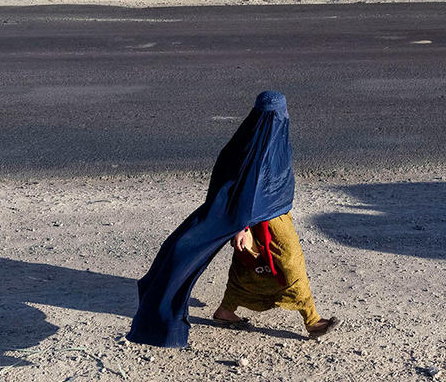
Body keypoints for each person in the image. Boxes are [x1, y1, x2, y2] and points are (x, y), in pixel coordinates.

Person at [126, 91, 337, 347]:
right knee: (292, 263)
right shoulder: (253, 147)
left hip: (273, 215)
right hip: (265, 220)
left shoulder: (258, 137)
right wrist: (242, 226)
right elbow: (241, 188)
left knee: (247, 267)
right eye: (278, 113)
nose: (282, 118)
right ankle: (312, 320)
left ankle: (226, 311)